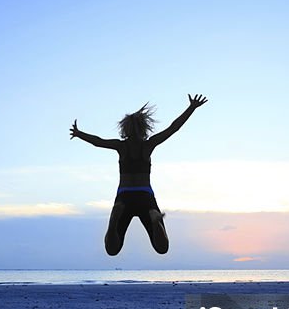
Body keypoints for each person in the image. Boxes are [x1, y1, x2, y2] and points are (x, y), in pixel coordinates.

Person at [70, 94, 208, 255]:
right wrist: (191, 108)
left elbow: (98, 141)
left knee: (112, 250)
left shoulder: (120, 146)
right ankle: (156, 221)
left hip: (124, 197)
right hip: (145, 197)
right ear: (144, 128)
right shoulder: (149, 145)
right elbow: (173, 128)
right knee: (162, 248)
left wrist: (79, 134)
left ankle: (114, 220)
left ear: (125, 128)